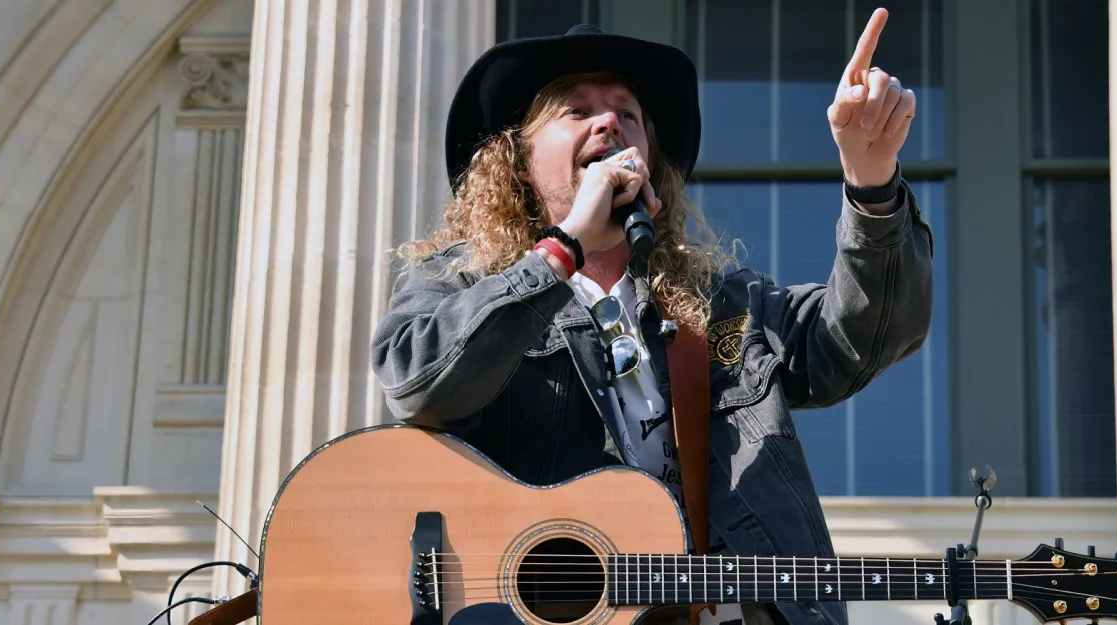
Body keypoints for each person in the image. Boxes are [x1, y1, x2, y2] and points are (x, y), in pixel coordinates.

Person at [370, 9, 933, 625]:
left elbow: (862, 337)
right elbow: (415, 380)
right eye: (577, 111)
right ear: (518, 158)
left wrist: (871, 182)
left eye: (628, 114)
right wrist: (561, 251)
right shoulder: (463, 280)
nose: (609, 121)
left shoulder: (722, 305)